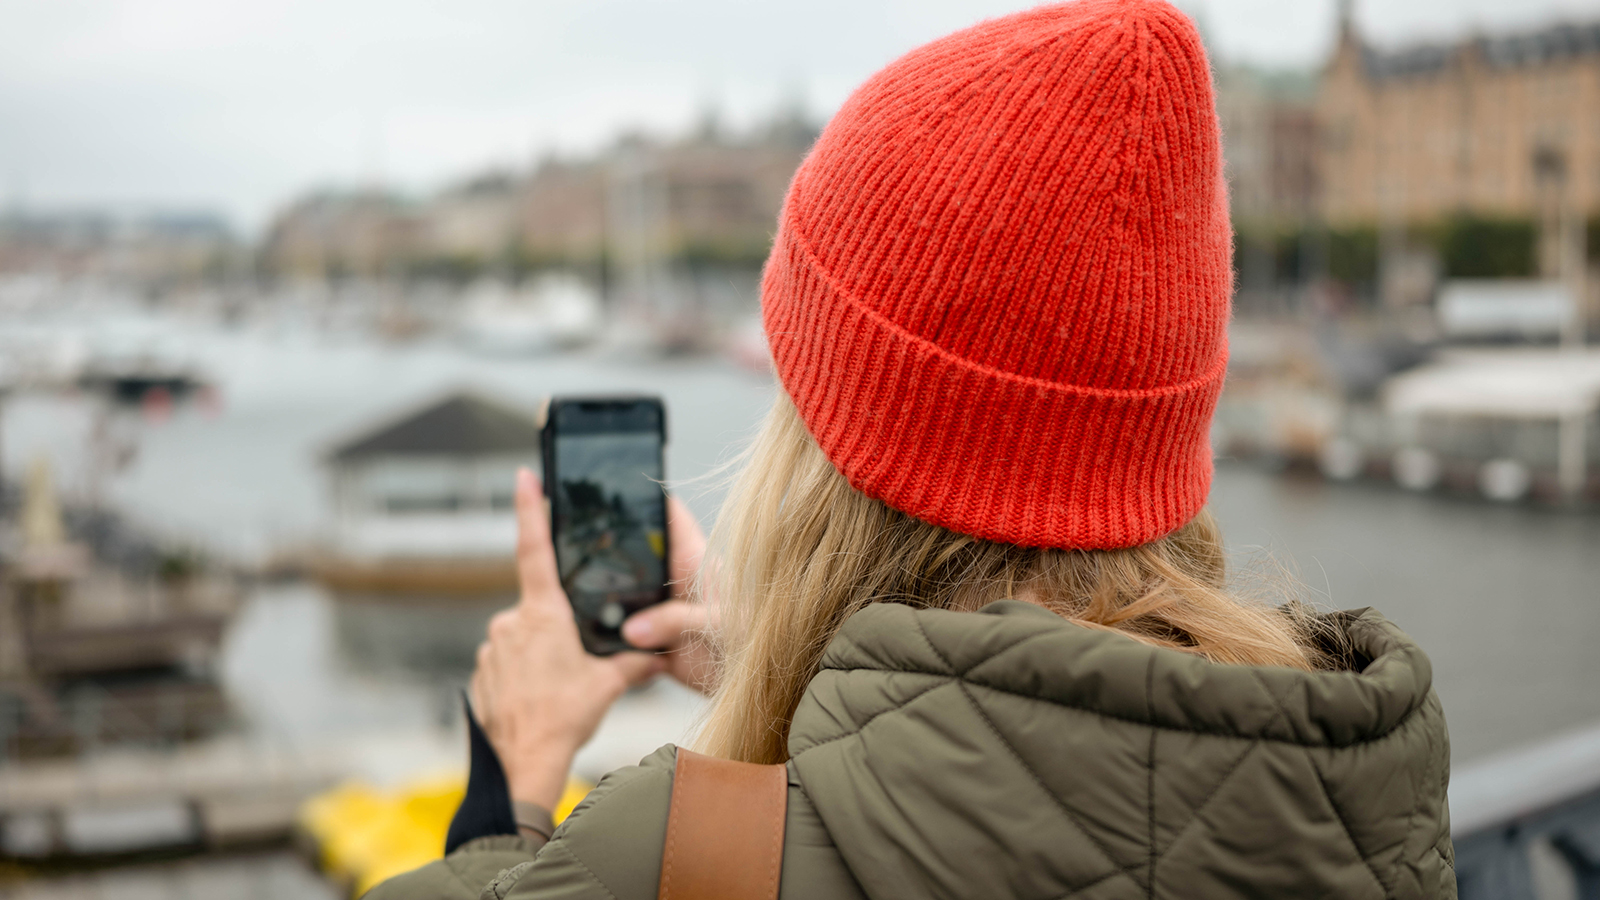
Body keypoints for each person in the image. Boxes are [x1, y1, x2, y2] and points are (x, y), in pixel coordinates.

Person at [370, 1, 1454, 897]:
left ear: (828, 450)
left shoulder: (681, 850)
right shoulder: (1361, 780)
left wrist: (510, 787)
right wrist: (768, 650)